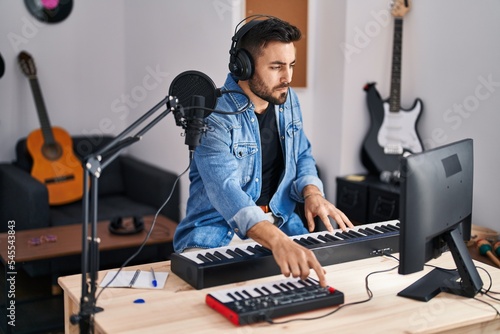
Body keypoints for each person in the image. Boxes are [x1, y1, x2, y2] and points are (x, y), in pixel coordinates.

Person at [173, 16, 353, 287]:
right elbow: (227, 191)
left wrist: (312, 193)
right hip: (216, 236)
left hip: (282, 225)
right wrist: (278, 242)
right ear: (243, 66)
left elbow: (302, 154)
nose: (288, 78)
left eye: (291, 65)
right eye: (276, 67)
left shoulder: (287, 99)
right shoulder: (214, 116)